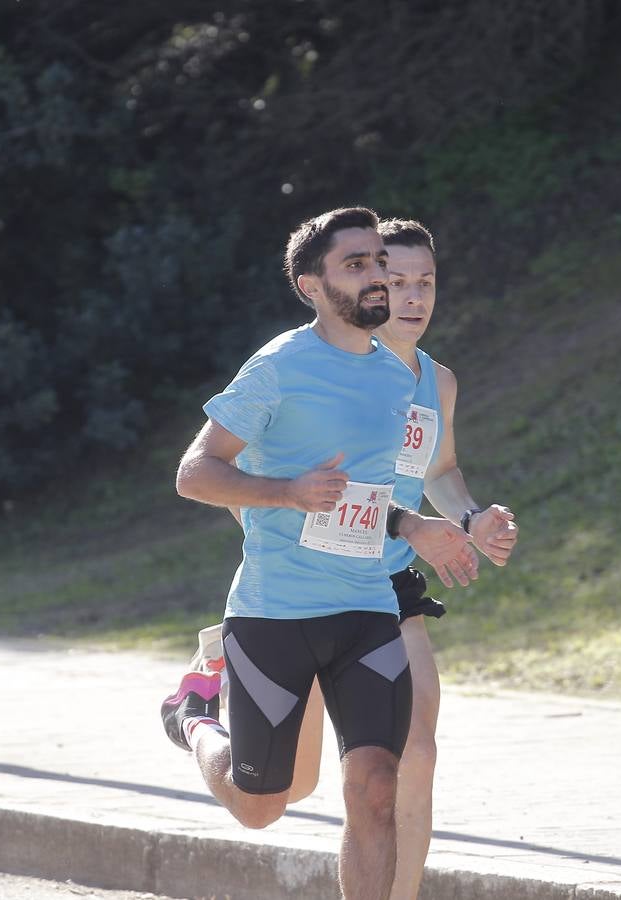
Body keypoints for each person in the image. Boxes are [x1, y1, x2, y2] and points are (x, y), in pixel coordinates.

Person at [167, 206, 478, 900]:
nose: (379, 279)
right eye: (357, 265)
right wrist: (284, 490)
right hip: (276, 612)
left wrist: (414, 526)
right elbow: (194, 473)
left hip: (367, 608)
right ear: (312, 285)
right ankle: (190, 717)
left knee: (374, 786)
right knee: (262, 804)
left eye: (378, 263)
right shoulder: (278, 368)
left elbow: (363, 496)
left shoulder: (397, 380)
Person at [285, 218, 519, 900]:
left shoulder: (437, 383)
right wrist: (408, 524)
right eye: (395, 281)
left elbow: (439, 470)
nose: (413, 297)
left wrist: (475, 518)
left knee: (416, 756)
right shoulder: (332, 374)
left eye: (427, 282)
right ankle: (209, 698)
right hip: (313, 585)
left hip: (389, 584)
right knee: (278, 786)